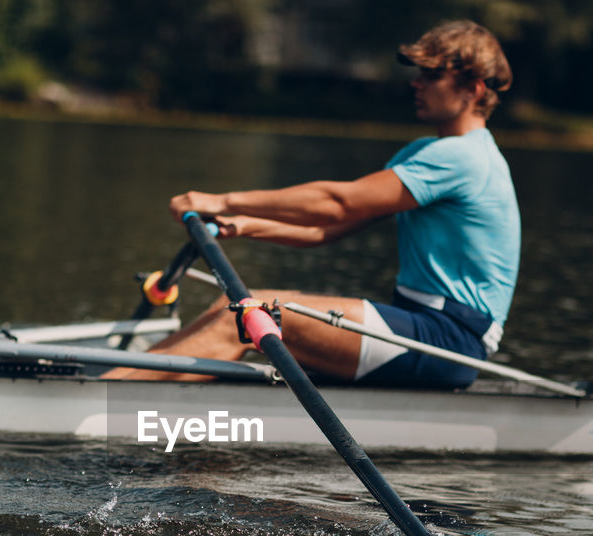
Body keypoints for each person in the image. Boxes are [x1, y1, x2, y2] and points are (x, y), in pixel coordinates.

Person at [107, 20, 519, 387]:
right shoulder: (426, 151)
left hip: (446, 340)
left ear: (472, 89)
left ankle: (98, 396)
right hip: (420, 326)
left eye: (432, 74)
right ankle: (117, 382)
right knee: (232, 308)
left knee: (251, 317)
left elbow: (338, 202)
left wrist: (223, 198)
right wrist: (243, 224)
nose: (417, 83)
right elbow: (327, 229)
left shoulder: (463, 157)